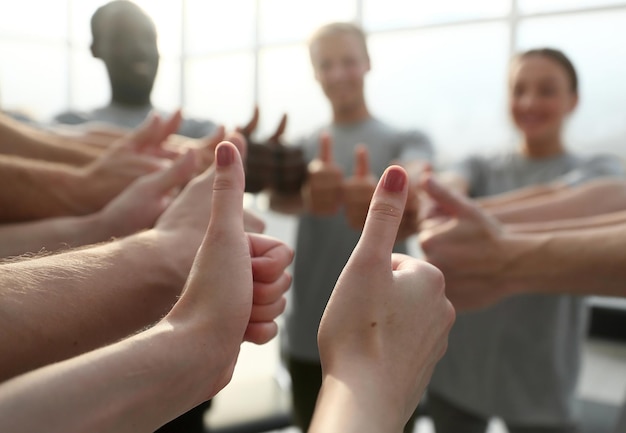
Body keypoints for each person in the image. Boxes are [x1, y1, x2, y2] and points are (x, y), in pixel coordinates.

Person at [0, 147, 455, 433]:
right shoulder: (310, 138)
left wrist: (196, 336)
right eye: (327, 61)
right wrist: (369, 381)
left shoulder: (400, 134)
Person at [421, 48, 624, 433]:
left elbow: (598, 198)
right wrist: (446, 194)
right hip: (461, 366)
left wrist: (473, 217)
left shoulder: (597, 168)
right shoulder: (481, 164)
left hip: (541, 378)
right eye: (519, 90)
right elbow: (450, 181)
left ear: (573, 101)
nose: (529, 102)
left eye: (546, 90)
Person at [267, 21, 433, 432]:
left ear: (367, 63)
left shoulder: (404, 138)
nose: (339, 73)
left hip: (387, 329)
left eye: (348, 61)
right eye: (327, 64)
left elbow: (420, 174)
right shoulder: (306, 146)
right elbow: (276, 198)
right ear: (315, 73)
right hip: (310, 330)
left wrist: (395, 190)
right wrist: (307, 195)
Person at [53, 0, 217, 139]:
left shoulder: (199, 132)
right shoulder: (68, 127)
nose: (141, 50)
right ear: (95, 49)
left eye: (149, 38)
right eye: (124, 38)